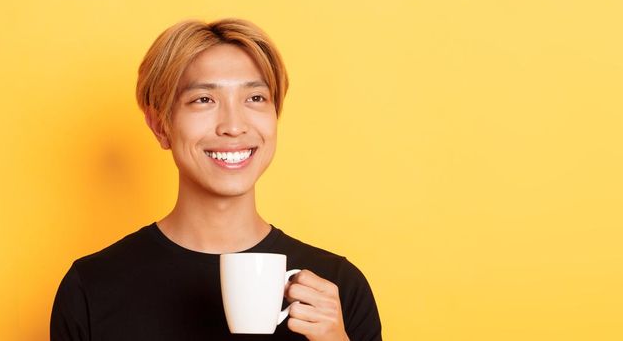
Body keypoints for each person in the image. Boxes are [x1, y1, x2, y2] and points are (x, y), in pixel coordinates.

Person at [50, 18, 382, 341]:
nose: (233, 125)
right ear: (160, 126)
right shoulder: (91, 288)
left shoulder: (337, 289)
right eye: (204, 100)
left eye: (255, 98)